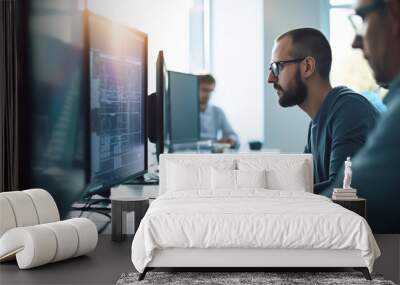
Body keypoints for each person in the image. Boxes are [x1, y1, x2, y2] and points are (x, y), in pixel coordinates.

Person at [267, 28, 379, 194]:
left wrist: (275, 196)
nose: (270, 78)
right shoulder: (316, 122)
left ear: (307, 67)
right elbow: (303, 183)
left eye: (277, 67)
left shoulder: (349, 110)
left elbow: (341, 192)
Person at [321, 0, 400, 233]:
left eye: (363, 19)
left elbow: (342, 209)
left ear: (394, 13)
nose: (356, 41)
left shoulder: (348, 107)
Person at [198, 74, 240, 149]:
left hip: (213, 154)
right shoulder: (184, 112)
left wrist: (230, 139)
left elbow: (234, 136)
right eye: (205, 90)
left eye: (211, 91)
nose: (208, 95)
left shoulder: (217, 111)